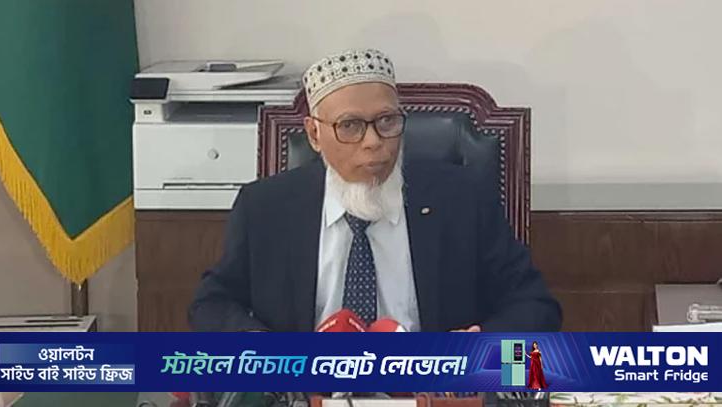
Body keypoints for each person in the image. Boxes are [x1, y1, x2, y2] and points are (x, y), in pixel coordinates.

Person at [189, 48, 561, 332]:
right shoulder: (265, 207)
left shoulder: (461, 199)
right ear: (314, 134)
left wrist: (480, 347)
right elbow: (211, 304)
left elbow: (535, 305)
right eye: (350, 125)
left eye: (387, 121)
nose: (373, 141)